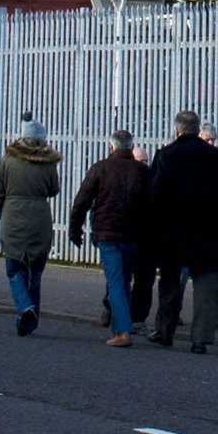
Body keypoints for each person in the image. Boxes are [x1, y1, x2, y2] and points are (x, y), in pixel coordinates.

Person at [147, 110, 218, 351]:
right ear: (198, 130)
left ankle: (165, 331)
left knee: (170, 282)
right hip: (209, 231)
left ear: (176, 130)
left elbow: (155, 197)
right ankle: (201, 338)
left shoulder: (166, 156)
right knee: (207, 285)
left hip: (174, 232)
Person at [72, 131, 150, 345]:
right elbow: (151, 205)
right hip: (133, 235)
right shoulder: (142, 171)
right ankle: (118, 328)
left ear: (111, 147)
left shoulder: (100, 168)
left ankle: (123, 331)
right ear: (131, 147)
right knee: (124, 280)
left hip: (106, 232)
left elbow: (81, 202)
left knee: (116, 281)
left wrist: (75, 230)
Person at [0, 120, 62, 334]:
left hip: (13, 215)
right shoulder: (48, 162)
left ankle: (25, 308)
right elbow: (53, 190)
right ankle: (30, 320)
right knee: (36, 272)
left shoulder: (8, 160)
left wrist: (3, 214)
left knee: (15, 270)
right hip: (40, 219)